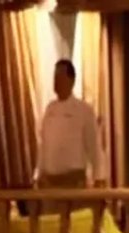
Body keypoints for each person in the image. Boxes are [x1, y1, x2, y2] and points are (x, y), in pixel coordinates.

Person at [35, 60, 106, 189]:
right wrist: (38, 174)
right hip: (49, 181)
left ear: (71, 81)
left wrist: (99, 177)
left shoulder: (84, 110)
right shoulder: (50, 110)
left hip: (74, 180)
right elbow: (43, 146)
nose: (56, 81)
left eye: (60, 77)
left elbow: (94, 145)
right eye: (55, 77)